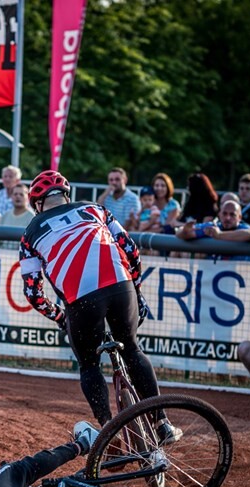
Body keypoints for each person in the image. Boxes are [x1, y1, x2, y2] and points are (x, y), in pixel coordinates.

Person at [19, 170, 177, 441]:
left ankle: (107, 431)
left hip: (81, 300)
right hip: (120, 286)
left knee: (89, 365)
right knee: (132, 349)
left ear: (38, 205)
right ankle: (162, 422)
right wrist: (136, 291)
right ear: (66, 196)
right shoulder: (96, 209)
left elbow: (33, 293)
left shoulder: (30, 234)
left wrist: (59, 317)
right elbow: (131, 249)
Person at [175, 199, 250, 261]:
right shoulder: (212, 227)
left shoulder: (244, 228)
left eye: (232, 215)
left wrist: (219, 235)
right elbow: (180, 232)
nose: (228, 218)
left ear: (239, 217)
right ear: (219, 215)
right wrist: (185, 232)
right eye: (224, 213)